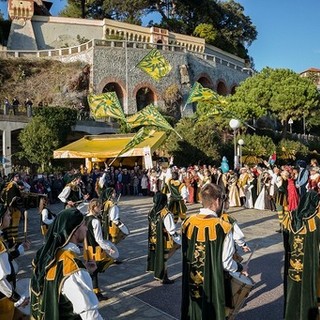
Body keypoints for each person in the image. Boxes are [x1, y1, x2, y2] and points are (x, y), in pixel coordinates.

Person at [181, 183, 247, 320]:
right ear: (217, 201)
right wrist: (240, 267)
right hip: (212, 283)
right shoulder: (224, 227)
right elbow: (226, 264)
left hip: (192, 281)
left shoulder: (187, 222)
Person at [30, 208, 103, 320]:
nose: (86, 229)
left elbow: (58, 284)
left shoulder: (48, 255)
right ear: (74, 230)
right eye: (83, 225)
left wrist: (86, 272)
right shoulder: (72, 267)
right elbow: (89, 314)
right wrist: (80, 273)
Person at [282, 190, 320, 320]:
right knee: (307, 292)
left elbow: (285, 242)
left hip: (292, 264)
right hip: (309, 264)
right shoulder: (315, 220)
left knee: (293, 291)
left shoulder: (290, 217)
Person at [0, 204, 30, 320]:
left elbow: (5, 258)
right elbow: (1, 280)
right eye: (7, 215)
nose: (10, 217)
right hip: (3, 299)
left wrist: (20, 249)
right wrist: (16, 298)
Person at [84, 199, 116, 301]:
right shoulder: (95, 221)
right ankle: (96, 293)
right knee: (96, 270)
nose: (101, 208)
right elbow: (99, 239)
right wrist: (109, 248)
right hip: (96, 249)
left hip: (87, 248)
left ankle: (95, 291)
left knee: (92, 271)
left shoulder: (85, 218)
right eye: (99, 207)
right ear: (94, 207)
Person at [147, 192, 181, 284]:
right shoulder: (166, 213)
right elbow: (171, 229)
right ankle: (163, 276)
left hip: (153, 238)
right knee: (169, 252)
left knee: (160, 255)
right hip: (164, 239)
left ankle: (159, 270)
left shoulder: (151, 211)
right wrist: (179, 239)